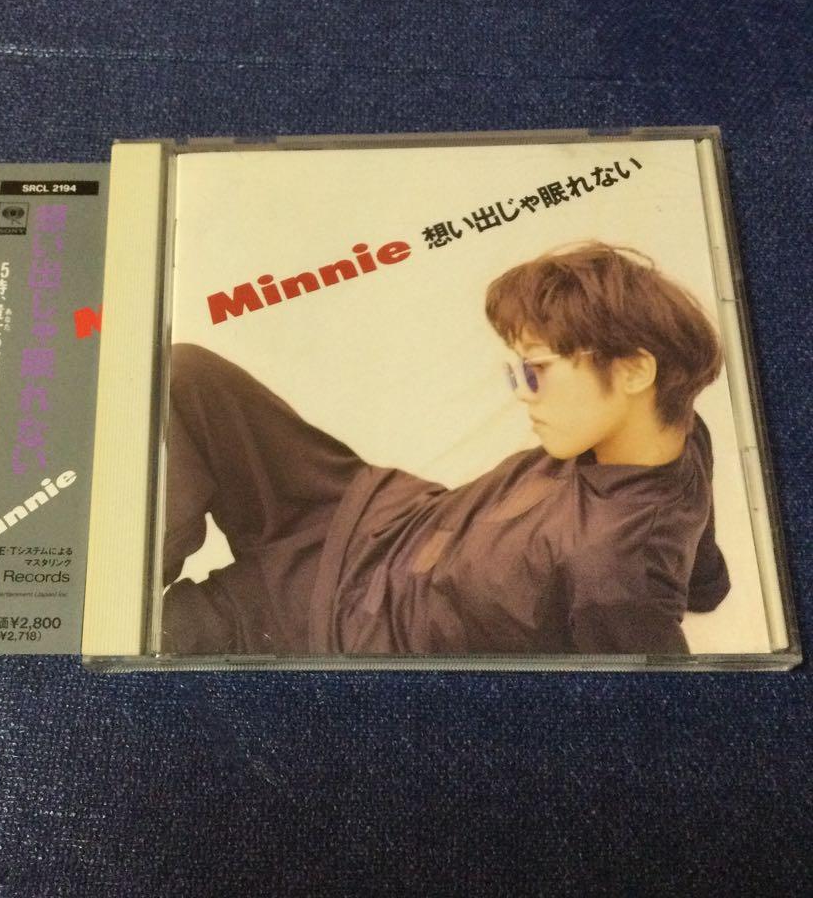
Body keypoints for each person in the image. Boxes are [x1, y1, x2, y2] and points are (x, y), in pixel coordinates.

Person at [162, 242, 731, 656]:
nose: (522, 393)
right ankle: (150, 556)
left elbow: (654, 711)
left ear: (634, 371)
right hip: (365, 510)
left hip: (328, 617)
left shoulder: (614, 573)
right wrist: (705, 584)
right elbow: (693, 523)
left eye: (536, 369)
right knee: (181, 373)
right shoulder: (675, 429)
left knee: (140, 635)